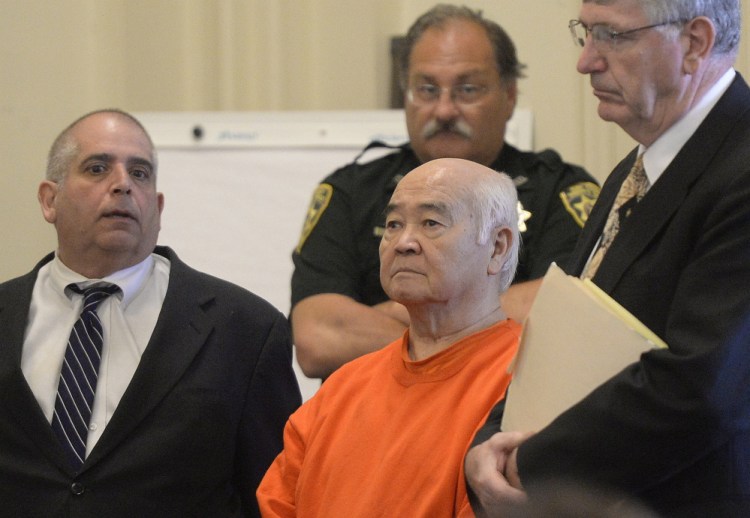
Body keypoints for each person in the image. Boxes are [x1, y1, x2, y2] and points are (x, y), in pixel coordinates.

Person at [465, 0, 750, 516]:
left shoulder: (740, 169)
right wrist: (489, 445)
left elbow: (700, 387)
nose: (587, 60)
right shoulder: (634, 170)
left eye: (613, 37)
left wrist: (523, 464)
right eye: (587, 33)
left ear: (695, 43)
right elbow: (568, 341)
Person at [0, 109, 302, 518]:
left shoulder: (245, 329)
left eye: (139, 173)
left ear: (157, 208)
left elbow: (273, 496)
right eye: (97, 168)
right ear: (49, 199)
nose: (122, 184)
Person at [291, 3, 599, 379]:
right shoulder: (351, 192)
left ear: (509, 95)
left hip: (504, 417)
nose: (444, 109)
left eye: (467, 89)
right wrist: (478, 318)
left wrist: (408, 312)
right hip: (378, 418)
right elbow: (319, 337)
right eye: (426, 89)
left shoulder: (560, 191)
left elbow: (569, 313)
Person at [257, 158, 522, 517]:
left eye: (431, 223)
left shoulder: (529, 379)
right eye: (393, 224)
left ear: (497, 247)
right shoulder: (340, 390)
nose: (403, 242)